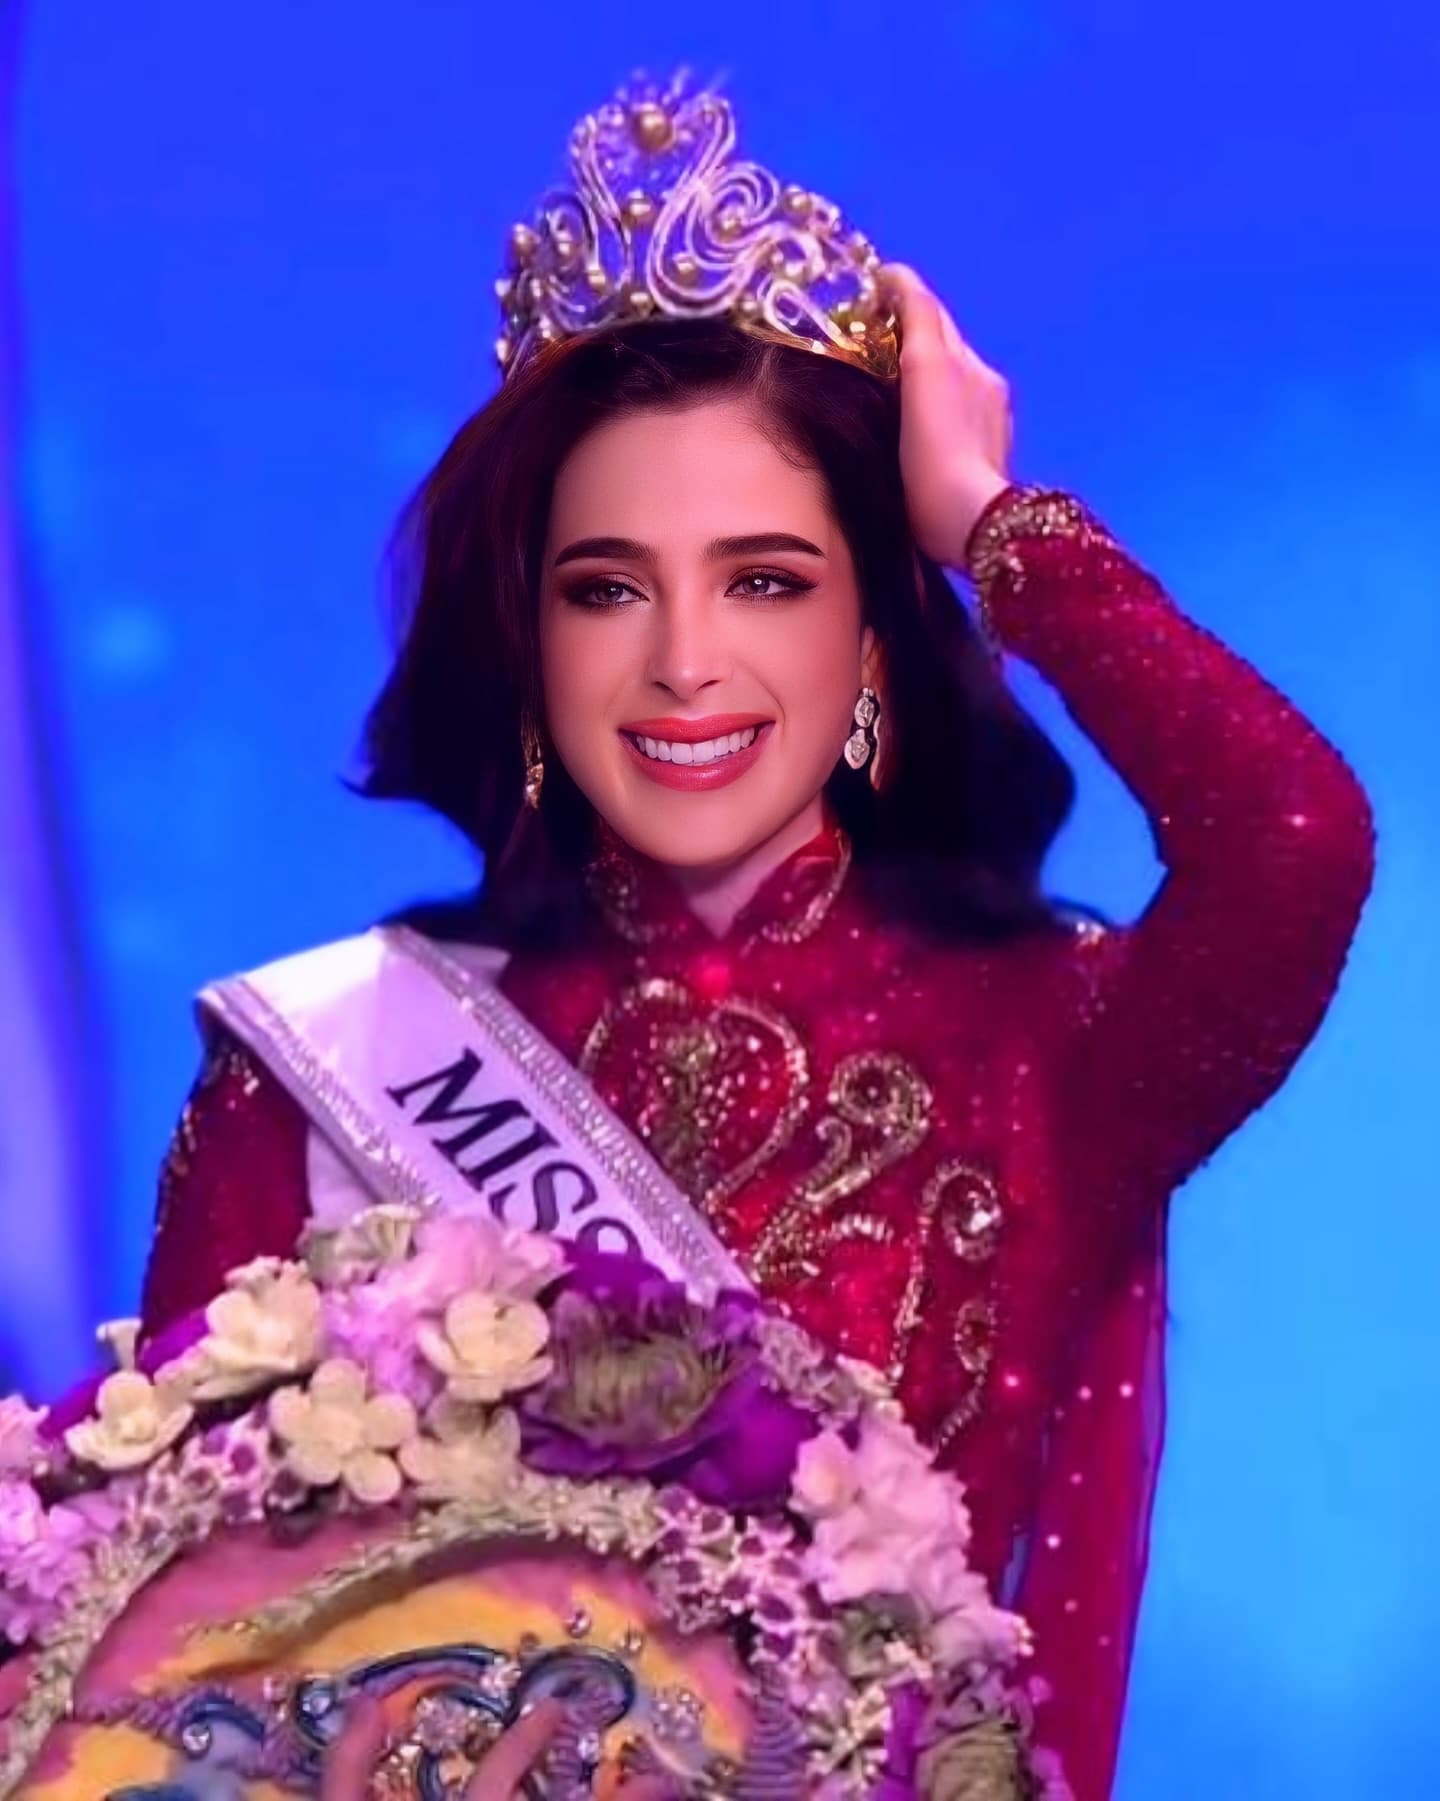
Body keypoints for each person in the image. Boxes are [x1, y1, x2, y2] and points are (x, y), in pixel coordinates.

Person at [133, 81, 1375, 1800]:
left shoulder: (1056, 1046)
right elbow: (160, 1678)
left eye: (768, 579)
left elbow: (1294, 839)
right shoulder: (313, 1074)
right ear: (528, 644)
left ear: (874, 639)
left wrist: (989, 520)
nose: (684, 662)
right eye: (607, 586)